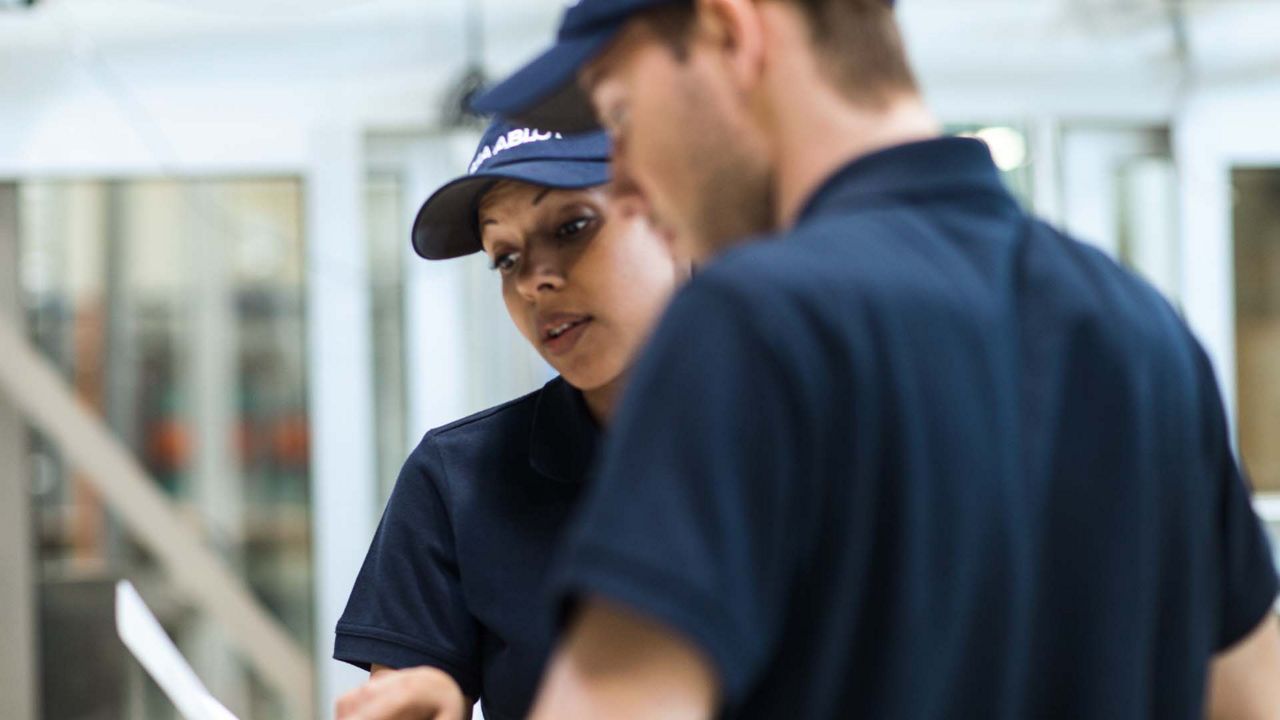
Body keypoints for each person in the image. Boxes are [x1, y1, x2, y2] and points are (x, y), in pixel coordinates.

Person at [470, 1, 1280, 718]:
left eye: (624, 116)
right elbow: (1252, 697)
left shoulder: (751, 324)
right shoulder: (1140, 330)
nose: (634, 187)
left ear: (731, 31)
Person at [331, 119, 688, 720]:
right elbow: (403, 701)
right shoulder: (458, 479)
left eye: (573, 226)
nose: (532, 281)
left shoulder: (816, 440)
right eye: (505, 257)